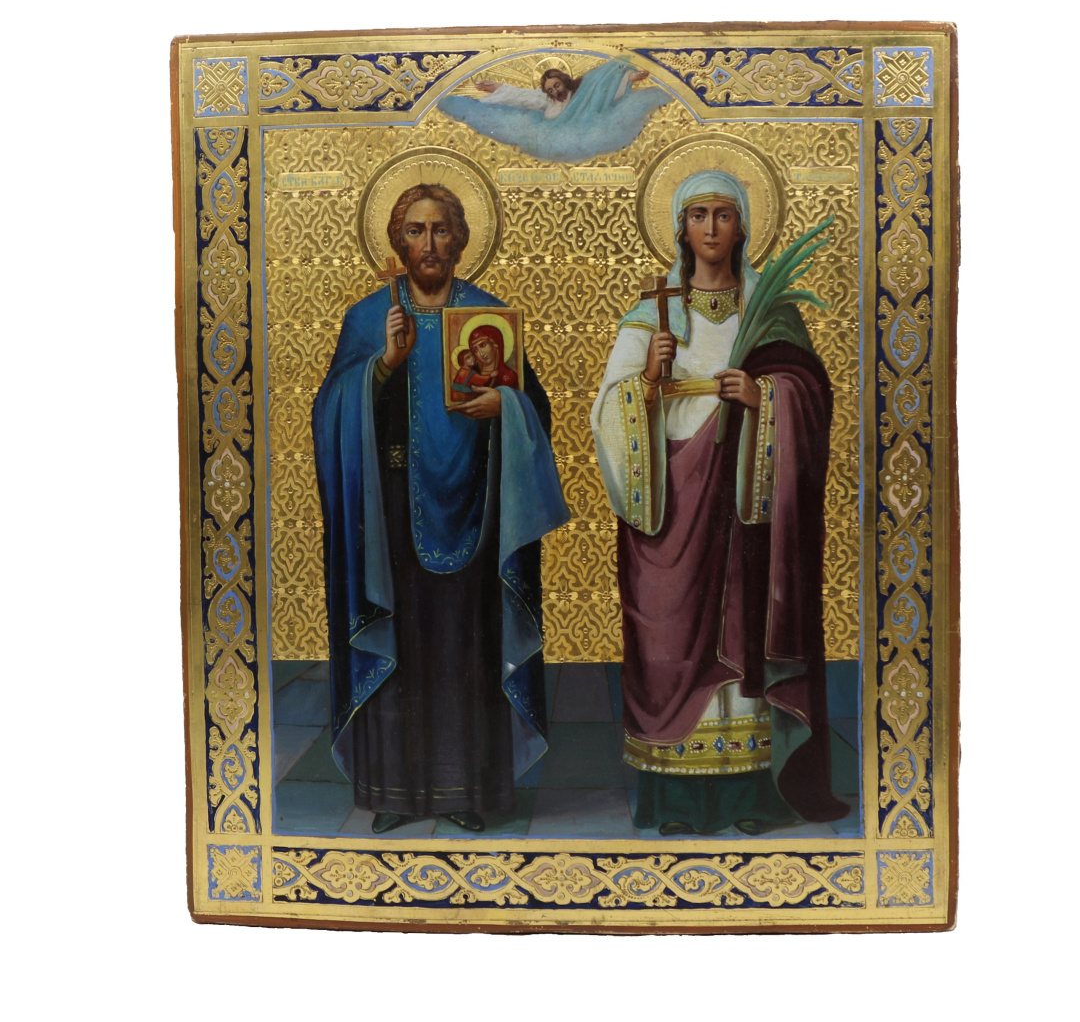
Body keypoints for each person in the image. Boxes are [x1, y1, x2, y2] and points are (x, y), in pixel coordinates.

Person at [591, 170, 849, 836]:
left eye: (723, 215)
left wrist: (768, 398)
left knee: (746, 637)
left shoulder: (768, 309)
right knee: (669, 642)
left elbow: (811, 395)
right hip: (669, 505)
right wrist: (649, 379)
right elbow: (608, 408)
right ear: (680, 227)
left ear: (742, 227)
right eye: (698, 215)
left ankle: (752, 797)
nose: (710, 228)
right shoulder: (652, 312)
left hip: (744, 501)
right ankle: (679, 803)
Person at [313, 183, 568, 834]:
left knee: (463, 648)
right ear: (398, 241)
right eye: (416, 231)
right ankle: (395, 793)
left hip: (477, 511)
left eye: (441, 230)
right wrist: (380, 367)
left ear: (461, 239)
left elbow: (537, 410)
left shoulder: (488, 314)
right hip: (391, 513)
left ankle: (465, 791)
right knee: (404, 645)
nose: (429, 244)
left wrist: (505, 405)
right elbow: (329, 411)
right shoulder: (370, 317)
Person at [437, 57, 671, 163]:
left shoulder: (582, 93)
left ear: (564, 81)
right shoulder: (547, 101)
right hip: (555, 140)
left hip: (582, 137)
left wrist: (629, 78)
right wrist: (499, 87)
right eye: (550, 89)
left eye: (556, 85)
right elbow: (523, 97)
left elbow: (606, 91)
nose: (554, 91)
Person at [450, 325, 519, 402]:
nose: (481, 354)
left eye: (483, 345)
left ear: (495, 344)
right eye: (475, 350)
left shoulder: (508, 376)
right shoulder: (473, 372)